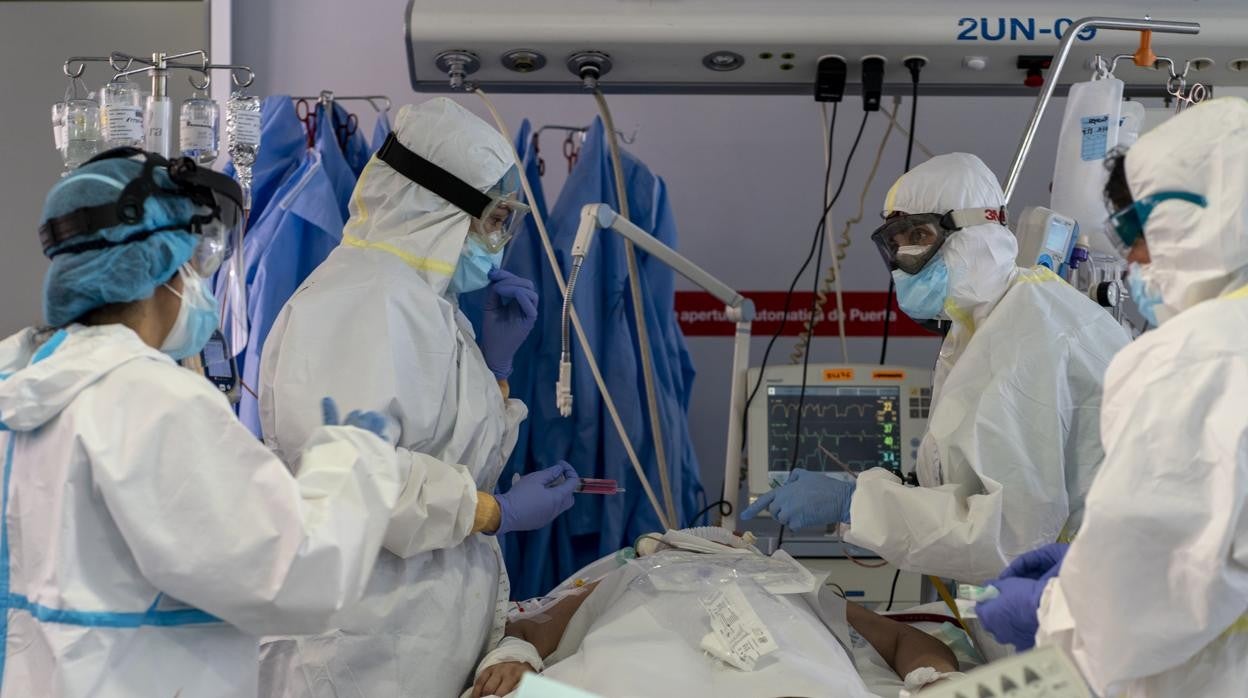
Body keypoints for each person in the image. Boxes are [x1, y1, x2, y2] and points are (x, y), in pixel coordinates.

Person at [0, 149, 404, 697]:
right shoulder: (148, 400)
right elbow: (292, 576)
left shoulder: (23, 382)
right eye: (196, 263)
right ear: (160, 266)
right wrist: (353, 462)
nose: (200, 283)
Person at [258, 97, 581, 697]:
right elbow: (354, 476)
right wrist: (493, 513)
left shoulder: (420, 301)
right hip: (358, 650)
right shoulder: (358, 300)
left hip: (414, 634)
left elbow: (442, 444)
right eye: (495, 220)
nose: (500, 241)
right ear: (435, 208)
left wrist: (497, 368)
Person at [743, 153, 1131, 583]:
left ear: (975, 231)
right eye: (896, 241)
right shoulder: (987, 324)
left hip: (1089, 601)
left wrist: (855, 503)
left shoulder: (1029, 342)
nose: (904, 255)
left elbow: (1008, 538)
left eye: (919, 235)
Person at [977, 97, 1248, 697]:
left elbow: (1143, 601)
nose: (1129, 260)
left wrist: (1056, 607)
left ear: (1188, 218)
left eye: (1131, 231)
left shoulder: (1196, 358)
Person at [464, 535, 963, 698]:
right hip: (640, 671)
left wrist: (936, 683)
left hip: (788, 678)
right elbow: (530, 628)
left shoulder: (784, 580)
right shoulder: (635, 571)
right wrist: (515, 656)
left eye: (724, 538)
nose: (712, 539)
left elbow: (899, 642)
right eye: (694, 536)